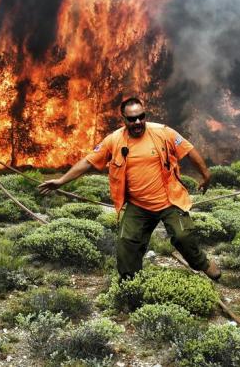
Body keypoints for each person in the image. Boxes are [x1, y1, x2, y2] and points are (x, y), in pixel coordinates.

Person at [38, 97, 220, 281]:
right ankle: (130, 284)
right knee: (126, 245)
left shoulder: (163, 132)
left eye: (141, 117)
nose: (138, 122)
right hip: (138, 205)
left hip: (169, 201)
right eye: (132, 119)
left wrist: (206, 176)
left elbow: (189, 150)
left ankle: (203, 264)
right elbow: (88, 161)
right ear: (124, 119)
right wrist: (61, 181)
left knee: (183, 238)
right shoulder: (114, 140)